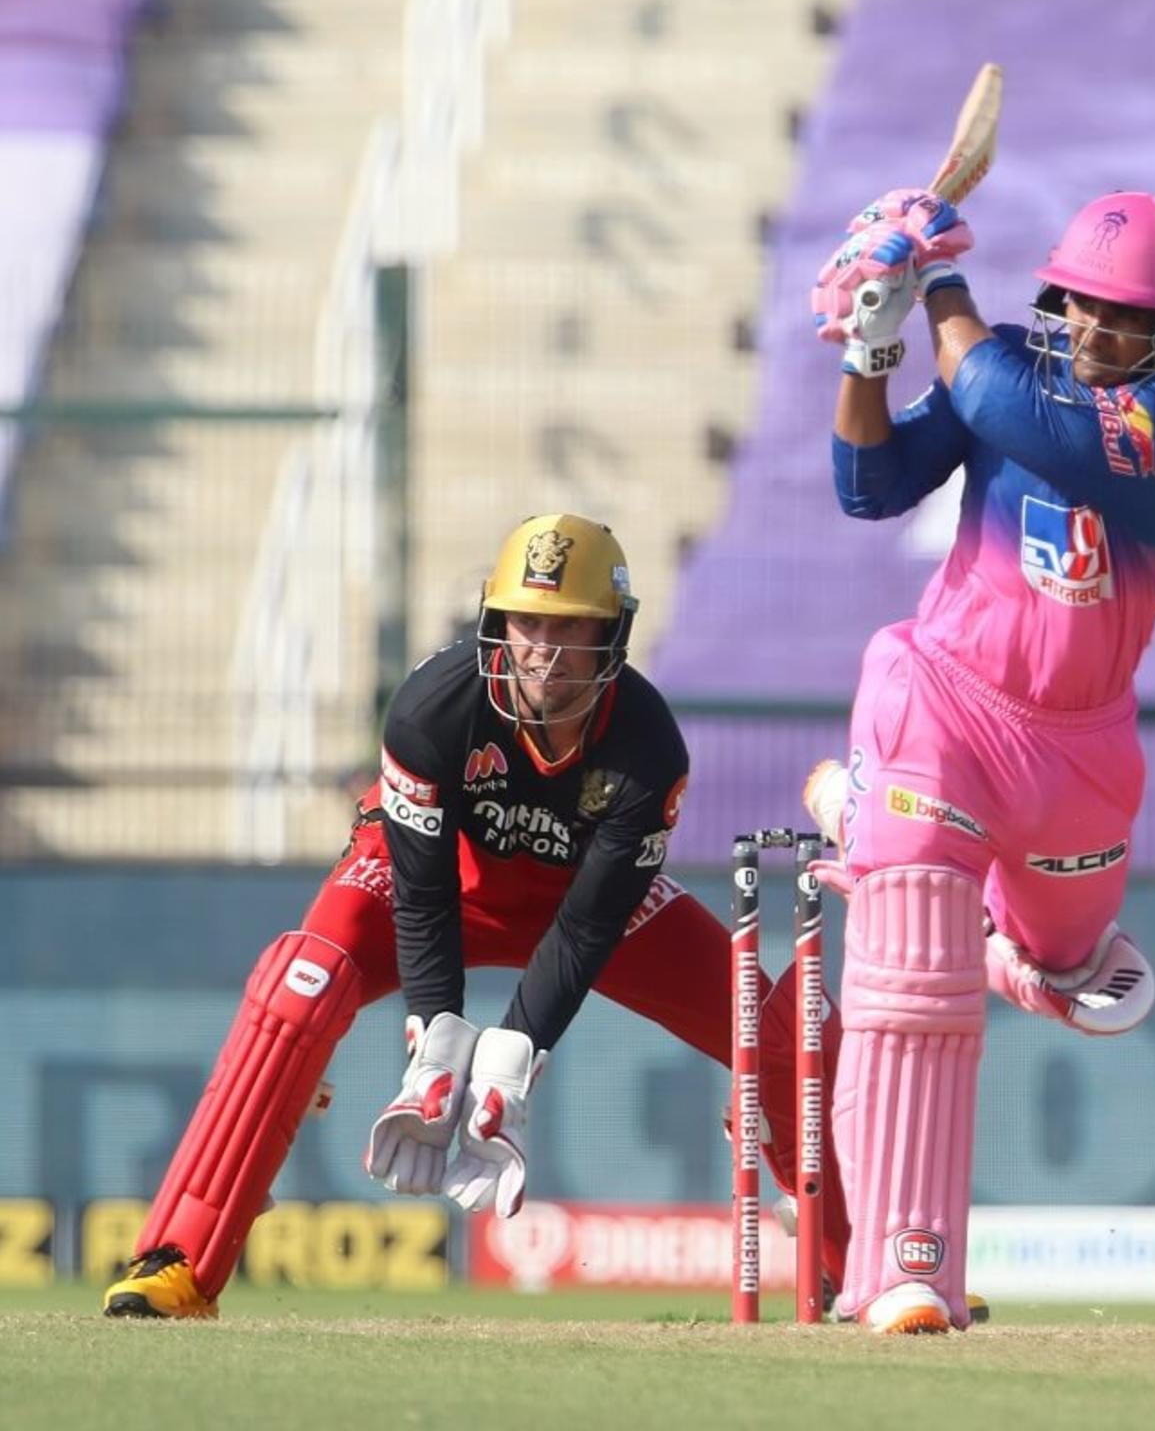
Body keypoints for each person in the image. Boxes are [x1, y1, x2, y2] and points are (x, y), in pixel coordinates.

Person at [103, 513, 850, 1317]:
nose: (543, 650)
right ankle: (178, 1259)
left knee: (793, 1032)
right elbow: (422, 892)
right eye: (528, 622)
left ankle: (854, 1264)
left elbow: (588, 926)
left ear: (612, 633)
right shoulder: (431, 707)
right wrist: (436, 1042)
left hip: (578, 902)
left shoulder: (649, 747)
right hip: (442, 882)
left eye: (570, 627)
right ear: (498, 621)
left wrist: (512, 1057)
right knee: (299, 984)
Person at [803, 190, 1155, 1331]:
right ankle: (904, 1269)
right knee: (911, 980)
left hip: (1079, 755)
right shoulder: (1010, 370)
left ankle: (962, 907)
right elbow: (870, 486)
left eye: (1127, 315)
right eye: (1083, 303)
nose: (1096, 329)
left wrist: (934, 277)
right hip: (945, 701)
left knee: (1086, 979)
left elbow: (1000, 398)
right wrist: (869, 347)